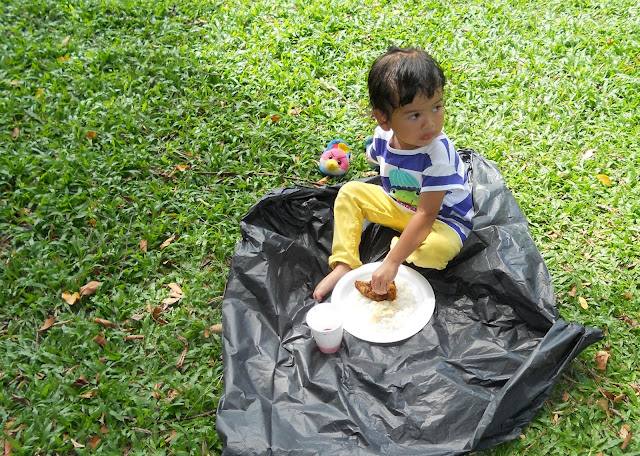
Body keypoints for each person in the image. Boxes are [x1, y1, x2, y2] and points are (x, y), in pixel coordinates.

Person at [313, 46, 474, 302]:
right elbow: (375, 157)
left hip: (443, 220)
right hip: (401, 206)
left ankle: (401, 246)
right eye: (415, 115)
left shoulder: (438, 155)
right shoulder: (383, 137)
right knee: (350, 193)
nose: (430, 122)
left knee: (435, 252)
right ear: (384, 119)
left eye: (437, 107)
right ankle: (344, 264)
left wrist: (392, 261)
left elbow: (427, 214)